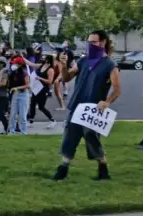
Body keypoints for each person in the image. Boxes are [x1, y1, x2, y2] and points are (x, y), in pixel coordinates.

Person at [53, 30, 120, 181]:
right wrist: (63, 66)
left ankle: (103, 168)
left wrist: (107, 102)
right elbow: (66, 78)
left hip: (93, 108)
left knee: (91, 137)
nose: (90, 45)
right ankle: (62, 169)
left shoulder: (110, 64)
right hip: (77, 105)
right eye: (88, 42)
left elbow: (117, 89)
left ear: (102, 43)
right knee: (70, 136)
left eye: (93, 42)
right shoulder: (83, 61)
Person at [28, 54, 57, 129]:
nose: (42, 59)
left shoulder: (50, 69)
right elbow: (31, 64)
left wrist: (40, 78)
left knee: (41, 107)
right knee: (32, 104)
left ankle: (52, 120)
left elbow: (50, 81)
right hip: (36, 88)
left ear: (48, 60)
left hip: (43, 90)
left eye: (44, 58)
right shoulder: (41, 66)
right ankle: (31, 120)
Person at [7, 56, 30, 135]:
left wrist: (17, 88)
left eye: (15, 64)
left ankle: (23, 132)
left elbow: (28, 85)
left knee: (22, 114)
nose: (13, 65)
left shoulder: (24, 73)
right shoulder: (14, 72)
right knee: (13, 114)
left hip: (23, 94)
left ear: (20, 65)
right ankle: (12, 131)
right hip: (15, 94)